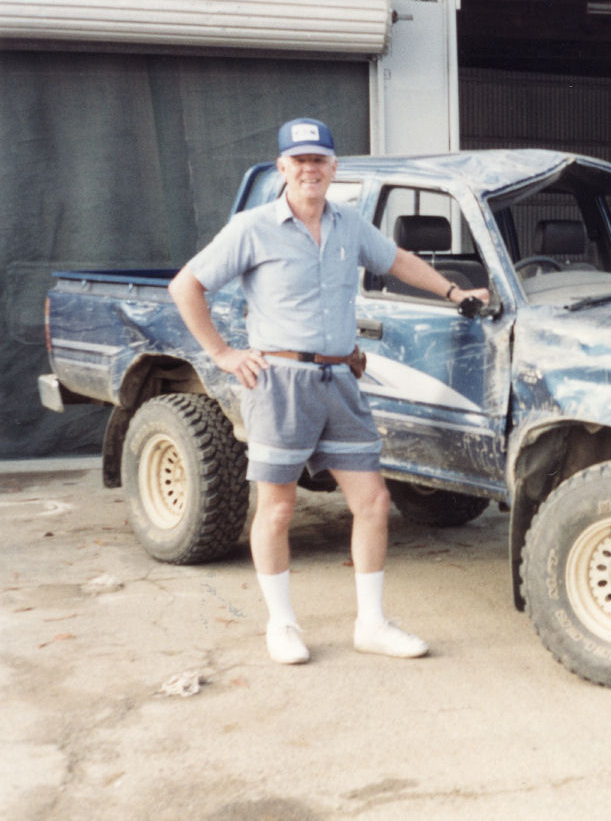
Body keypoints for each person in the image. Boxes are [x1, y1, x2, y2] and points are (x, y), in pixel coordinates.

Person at [168, 117, 489, 665]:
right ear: (282, 169)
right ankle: (283, 626)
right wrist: (223, 354)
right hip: (280, 383)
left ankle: (371, 623)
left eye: (319, 160)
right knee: (277, 507)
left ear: (333, 168)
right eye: (300, 161)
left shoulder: (349, 225)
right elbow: (187, 285)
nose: (310, 170)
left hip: (340, 379)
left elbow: (400, 262)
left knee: (373, 501)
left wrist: (455, 290)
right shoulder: (252, 227)